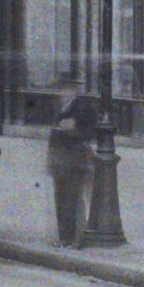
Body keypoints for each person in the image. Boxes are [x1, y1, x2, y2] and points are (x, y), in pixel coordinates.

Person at [46, 73, 101, 247]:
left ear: (74, 90)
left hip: (75, 160)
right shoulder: (59, 107)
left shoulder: (84, 107)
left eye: (66, 89)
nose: (62, 93)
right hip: (59, 160)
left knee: (73, 200)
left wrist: (74, 129)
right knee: (60, 199)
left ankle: (75, 240)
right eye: (61, 89)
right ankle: (63, 238)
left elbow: (91, 132)